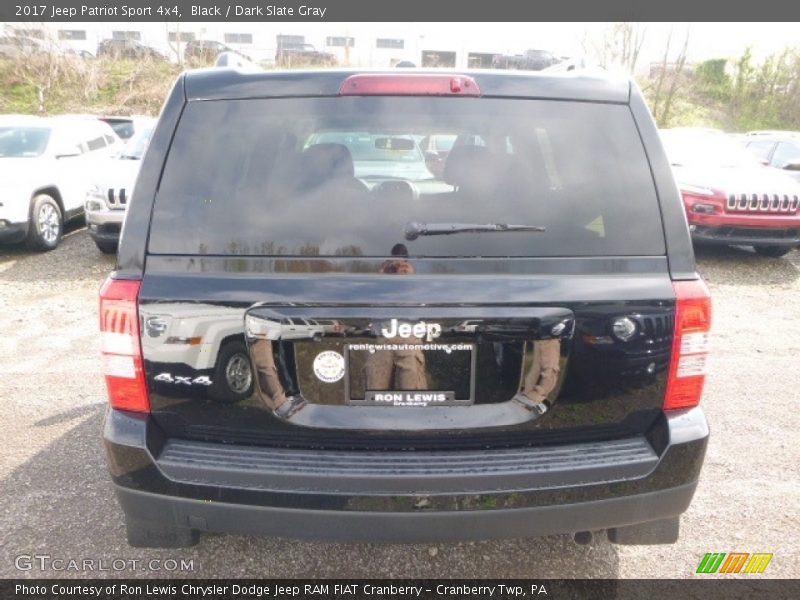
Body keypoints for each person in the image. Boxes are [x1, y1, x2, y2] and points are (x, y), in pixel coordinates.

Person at [365, 244, 429, 391]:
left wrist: (411, 279)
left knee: (412, 394)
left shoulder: (417, 283)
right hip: (380, 337)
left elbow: (424, 308)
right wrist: (381, 279)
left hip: (409, 337)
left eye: (403, 262)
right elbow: (368, 306)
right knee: (375, 393)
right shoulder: (378, 282)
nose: (398, 267)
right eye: (394, 262)